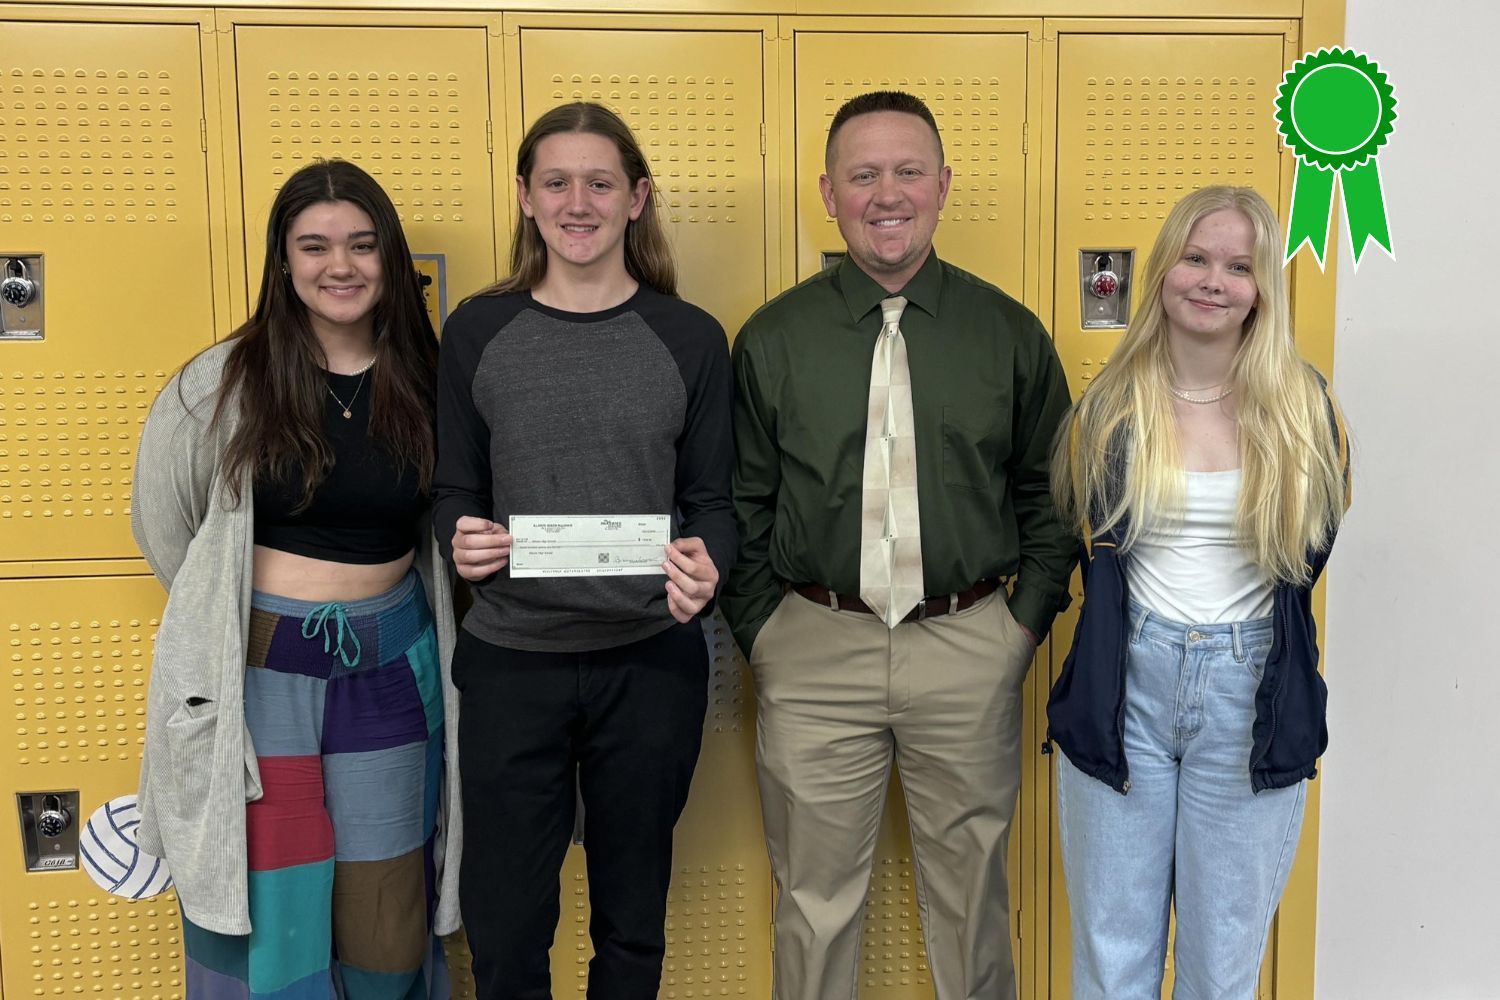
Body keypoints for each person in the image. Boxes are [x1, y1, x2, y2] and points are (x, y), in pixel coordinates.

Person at [722, 90, 1076, 1000]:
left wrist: (1019, 629)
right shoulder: (774, 338)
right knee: (814, 902)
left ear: (944, 185)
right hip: (813, 646)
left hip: (968, 644)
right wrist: (768, 631)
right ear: (828, 195)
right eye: (864, 174)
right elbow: (742, 500)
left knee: (973, 901)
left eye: (909, 170)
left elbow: (1052, 493)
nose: (889, 193)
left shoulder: (1007, 334)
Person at [132, 159, 460, 998]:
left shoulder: (428, 380)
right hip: (259, 677)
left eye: (360, 245)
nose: (339, 266)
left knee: (386, 909)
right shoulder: (221, 382)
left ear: (389, 257)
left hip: (391, 670)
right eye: (313, 247)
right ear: (284, 263)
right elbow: (168, 527)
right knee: (267, 909)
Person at [433, 101, 735, 999]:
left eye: (600, 182)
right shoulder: (477, 332)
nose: (578, 202)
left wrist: (706, 570)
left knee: (632, 923)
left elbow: (711, 502)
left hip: (649, 665)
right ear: (525, 197)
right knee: (507, 928)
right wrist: (464, 537)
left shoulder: (691, 337)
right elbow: (457, 488)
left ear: (636, 198)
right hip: (511, 666)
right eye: (556, 182)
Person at [1046, 185, 1351, 999]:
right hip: (1127, 686)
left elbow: (1314, 542)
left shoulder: (1302, 407)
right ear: (1165, 268)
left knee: (1222, 964)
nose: (1214, 281)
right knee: (1113, 959)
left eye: (1239, 266)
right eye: (1196, 258)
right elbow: (1081, 539)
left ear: (1263, 290)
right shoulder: (1112, 404)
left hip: (1250, 693)